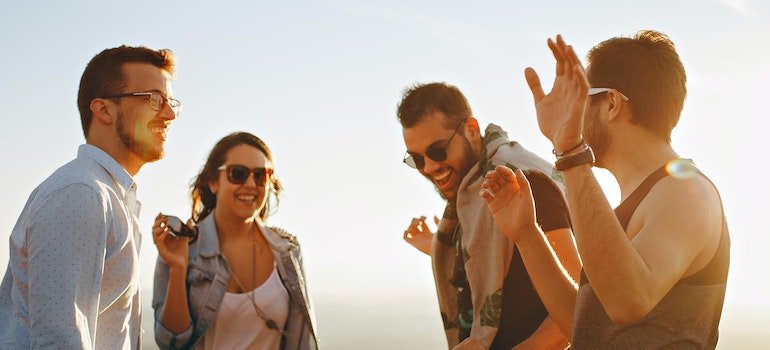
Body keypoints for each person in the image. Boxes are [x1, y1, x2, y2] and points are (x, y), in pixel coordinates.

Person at [481, 31, 730, 349]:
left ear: (611, 103)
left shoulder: (684, 191)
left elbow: (628, 301)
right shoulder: (641, 200)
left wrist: (570, 151)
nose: (573, 112)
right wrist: (527, 234)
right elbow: (587, 328)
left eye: (581, 99)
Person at [0, 46, 179, 349]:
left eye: (170, 101)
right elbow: (59, 341)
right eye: (153, 99)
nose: (170, 113)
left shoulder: (112, 196)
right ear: (104, 109)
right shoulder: (81, 193)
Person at [398, 82, 581, 349]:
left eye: (437, 151)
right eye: (416, 159)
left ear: (471, 129)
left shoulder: (523, 183)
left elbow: (580, 298)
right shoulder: (471, 195)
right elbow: (497, 262)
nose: (430, 167)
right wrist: (438, 246)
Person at [152, 132, 319, 350]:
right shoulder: (182, 246)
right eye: (238, 173)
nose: (251, 184)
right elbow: (171, 342)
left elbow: (302, 342)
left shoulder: (287, 251)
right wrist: (177, 268)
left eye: (261, 175)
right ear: (213, 181)